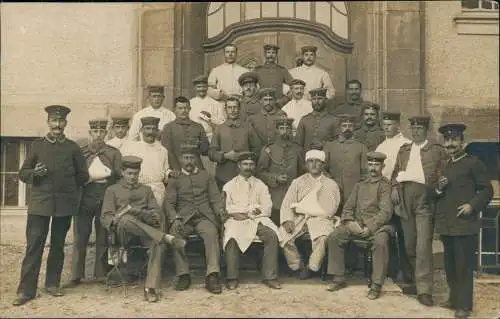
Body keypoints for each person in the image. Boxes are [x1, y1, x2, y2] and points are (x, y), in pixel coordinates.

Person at [13, 105, 89, 306]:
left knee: (57, 246)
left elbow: (83, 176)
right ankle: (26, 290)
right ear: (48, 122)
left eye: (61, 121)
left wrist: (68, 183)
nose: (57, 125)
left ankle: (53, 284)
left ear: (65, 123)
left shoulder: (73, 148)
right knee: (34, 247)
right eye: (54, 121)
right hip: (40, 205)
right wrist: (34, 174)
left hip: (64, 206)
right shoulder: (37, 146)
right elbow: (22, 173)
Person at [100, 156, 186, 303]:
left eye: (135, 173)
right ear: (122, 172)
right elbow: (105, 217)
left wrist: (137, 212)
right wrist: (117, 218)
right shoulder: (112, 190)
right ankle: (165, 237)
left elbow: (156, 215)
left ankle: (150, 287)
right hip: (123, 233)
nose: (133, 177)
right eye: (129, 173)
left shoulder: (146, 190)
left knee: (157, 244)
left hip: (144, 232)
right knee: (126, 219)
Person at [434, 124, 493, 319]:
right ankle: (454, 299)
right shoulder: (444, 165)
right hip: (447, 225)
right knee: (450, 266)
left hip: (465, 224)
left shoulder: (474, 163)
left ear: (462, 142)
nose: (450, 144)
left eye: (454, 140)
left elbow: (486, 190)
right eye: (447, 140)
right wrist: (439, 189)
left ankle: (465, 306)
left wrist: (471, 206)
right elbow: (437, 193)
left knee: (463, 266)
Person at [391, 115, 448, 306]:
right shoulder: (404, 150)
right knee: (409, 244)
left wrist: (439, 189)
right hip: (405, 198)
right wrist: (393, 188)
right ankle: (415, 281)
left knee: (423, 245)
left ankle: (425, 290)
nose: (415, 131)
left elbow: (444, 175)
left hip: (425, 199)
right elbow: (395, 174)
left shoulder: (436, 150)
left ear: (426, 130)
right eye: (413, 128)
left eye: (419, 128)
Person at [326, 152, 393, 300]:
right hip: (357, 224)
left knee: (380, 242)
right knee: (334, 236)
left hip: (378, 226)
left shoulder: (385, 186)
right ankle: (338, 277)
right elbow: (348, 207)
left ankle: (376, 284)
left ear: (383, 166)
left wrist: (369, 227)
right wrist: (350, 223)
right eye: (370, 164)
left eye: (376, 165)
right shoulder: (360, 185)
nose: (373, 168)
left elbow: (385, 212)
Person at [66, 118, 122, 289]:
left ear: (106, 133)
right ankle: (76, 275)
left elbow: (119, 177)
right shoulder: (81, 153)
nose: (98, 135)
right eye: (95, 132)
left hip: (105, 199)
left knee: (103, 237)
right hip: (84, 199)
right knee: (80, 237)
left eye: (101, 132)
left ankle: (101, 273)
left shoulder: (114, 153)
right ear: (90, 133)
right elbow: (73, 174)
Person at [164, 146, 226, 294]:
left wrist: (220, 211)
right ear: (180, 160)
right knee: (175, 233)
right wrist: (175, 218)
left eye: (192, 158)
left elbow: (215, 199)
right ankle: (183, 274)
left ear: (196, 159)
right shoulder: (175, 179)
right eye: (186, 158)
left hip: (204, 217)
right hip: (183, 219)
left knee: (211, 233)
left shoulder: (207, 176)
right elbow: (169, 203)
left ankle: (212, 275)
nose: (189, 161)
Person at [222, 152, 281, 290]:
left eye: (251, 164)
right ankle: (232, 277)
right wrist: (245, 211)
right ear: (239, 166)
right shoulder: (229, 185)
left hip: (257, 220)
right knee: (231, 238)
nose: (248, 167)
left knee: (271, 235)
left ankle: (270, 276)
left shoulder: (260, 185)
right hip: (236, 220)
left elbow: (267, 207)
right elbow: (227, 207)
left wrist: (247, 212)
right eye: (245, 164)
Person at [278, 150, 341, 279]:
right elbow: (287, 202)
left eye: (318, 162)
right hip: (299, 218)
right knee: (283, 235)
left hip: (321, 219)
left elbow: (330, 209)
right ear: (306, 165)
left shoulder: (331, 184)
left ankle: (312, 267)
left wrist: (307, 212)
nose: (314, 165)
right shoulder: (298, 182)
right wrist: (287, 220)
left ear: (323, 165)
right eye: (310, 161)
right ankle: (297, 266)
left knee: (322, 238)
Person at [257, 118, 305, 225]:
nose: (284, 131)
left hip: (293, 195)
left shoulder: (297, 149)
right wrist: (275, 178)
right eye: (281, 128)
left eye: (287, 128)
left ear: (290, 130)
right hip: (274, 196)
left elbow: (303, 172)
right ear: (277, 131)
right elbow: (260, 173)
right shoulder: (269, 149)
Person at [209, 96, 260, 190]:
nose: (232, 110)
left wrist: (244, 157)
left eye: (235, 107)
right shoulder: (219, 129)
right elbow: (211, 153)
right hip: (224, 176)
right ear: (225, 110)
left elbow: (257, 149)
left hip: (245, 175)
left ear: (239, 109)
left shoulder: (248, 127)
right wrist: (225, 156)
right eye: (229, 107)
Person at [121, 117, 173, 206]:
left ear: (157, 131)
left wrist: (170, 173)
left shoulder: (162, 150)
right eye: (147, 128)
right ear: (141, 130)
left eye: (153, 129)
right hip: (138, 189)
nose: (150, 132)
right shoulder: (132, 148)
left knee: (156, 217)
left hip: (158, 190)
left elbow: (165, 171)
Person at [324, 114, 368, 204]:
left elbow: (365, 172)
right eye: (344, 126)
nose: (347, 128)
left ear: (354, 128)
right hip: (333, 190)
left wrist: (360, 189)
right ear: (339, 128)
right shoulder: (330, 146)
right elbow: (323, 169)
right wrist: (331, 182)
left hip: (354, 192)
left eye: (350, 126)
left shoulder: (362, 147)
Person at [160, 96, 210, 172]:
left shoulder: (198, 127)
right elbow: (168, 151)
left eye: (186, 108)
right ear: (174, 109)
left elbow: (205, 149)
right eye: (180, 108)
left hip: (196, 167)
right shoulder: (168, 127)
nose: (184, 111)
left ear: (190, 109)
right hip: (177, 169)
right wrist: (176, 169)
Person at [189, 75, 226, 176]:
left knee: (210, 169)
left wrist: (210, 120)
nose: (201, 89)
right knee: (195, 169)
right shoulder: (190, 103)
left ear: (207, 87)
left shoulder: (216, 104)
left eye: (203, 86)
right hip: (193, 140)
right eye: (198, 87)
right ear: (195, 88)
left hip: (210, 139)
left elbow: (222, 125)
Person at [247, 88, 288, 157]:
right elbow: (252, 141)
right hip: (259, 155)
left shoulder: (281, 115)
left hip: (277, 154)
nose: (268, 103)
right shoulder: (252, 119)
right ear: (260, 101)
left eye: (270, 99)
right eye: (265, 100)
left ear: (275, 101)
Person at [375, 112, 411, 180]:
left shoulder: (406, 144)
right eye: (384, 124)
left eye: (389, 124)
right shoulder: (380, 147)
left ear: (397, 126)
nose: (386, 127)